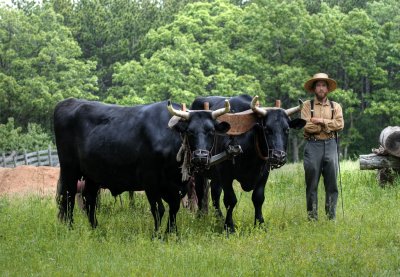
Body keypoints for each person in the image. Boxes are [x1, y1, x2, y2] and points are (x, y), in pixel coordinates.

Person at [301, 73, 344, 220]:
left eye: (323, 85)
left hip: (331, 144)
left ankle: (331, 217)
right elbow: (306, 126)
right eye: (318, 85)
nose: (321, 88)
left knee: (332, 183)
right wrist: (326, 126)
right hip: (313, 145)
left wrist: (320, 121)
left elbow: (340, 125)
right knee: (311, 183)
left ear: (327, 89)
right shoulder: (307, 105)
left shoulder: (335, 106)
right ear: (314, 89)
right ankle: (312, 217)